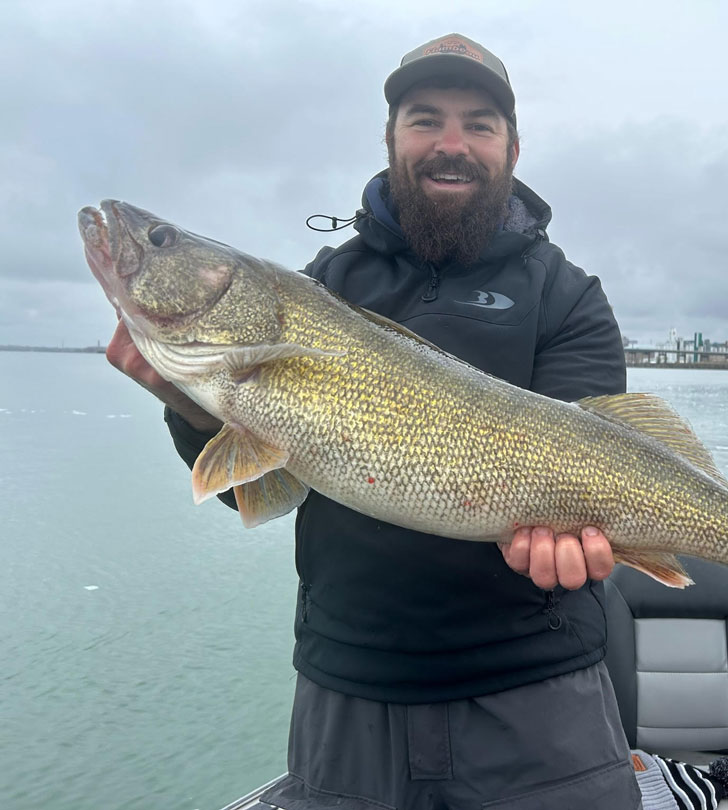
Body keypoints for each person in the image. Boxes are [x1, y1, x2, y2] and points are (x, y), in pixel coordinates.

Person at [106, 33, 641, 809]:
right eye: (425, 120)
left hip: (540, 695)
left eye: (479, 124)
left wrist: (580, 541)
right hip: (348, 694)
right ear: (390, 140)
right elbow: (257, 491)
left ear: (512, 149)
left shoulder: (568, 297)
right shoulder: (318, 287)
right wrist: (187, 400)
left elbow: (606, 459)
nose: (451, 144)